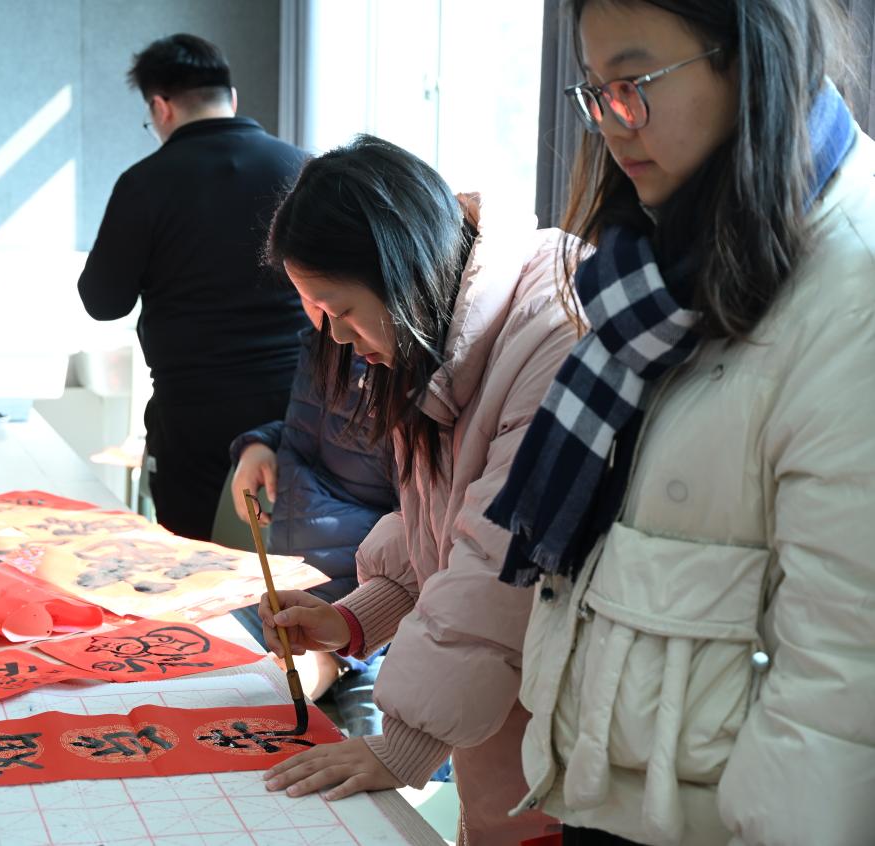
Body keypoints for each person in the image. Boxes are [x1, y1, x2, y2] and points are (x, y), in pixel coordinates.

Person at [483, 2, 875, 844]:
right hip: (621, 793)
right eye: (593, 92)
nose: (609, 124)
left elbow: (842, 677)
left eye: (633, 84)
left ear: (749, 60)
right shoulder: (663, 262)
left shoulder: (852, 285)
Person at [255, 136, 574, 845]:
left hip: (566, 739)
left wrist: (403, 744)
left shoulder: (551, 332)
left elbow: (502, 564)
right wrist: (356, 619)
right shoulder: (450, 327)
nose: (339, 340)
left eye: (341, 310)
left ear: (397, 269)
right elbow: (441, 516)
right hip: (505, 722)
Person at [77, 33, 307, 541]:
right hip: (295, 405)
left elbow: (103, 302)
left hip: (194, 415)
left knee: (195, 563)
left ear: (160, 107)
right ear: (232, 98)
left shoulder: (144, 183)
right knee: (292, 560)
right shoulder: (303, 168)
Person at [227, 320, 398, 737]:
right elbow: (308, 438)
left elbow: (418, 540)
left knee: (376, 755)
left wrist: (341, 646)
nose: (327, 321)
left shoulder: (400, 364)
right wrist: (259, 445)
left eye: (333, 304)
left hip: (375, 624)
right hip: (292, 600)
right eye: (306, 297)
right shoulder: (323, 338)